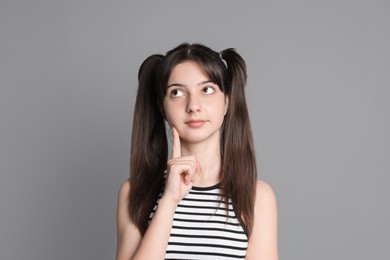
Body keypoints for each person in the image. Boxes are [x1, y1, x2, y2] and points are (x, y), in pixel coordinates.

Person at [116, 43, 278, 260]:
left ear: (227, 102)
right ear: (162, 107)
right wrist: (169, 200)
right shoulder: (136, 191)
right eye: (177, 92)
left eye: (207, 89)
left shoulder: (256, 196)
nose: (193, 105)